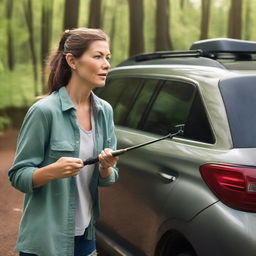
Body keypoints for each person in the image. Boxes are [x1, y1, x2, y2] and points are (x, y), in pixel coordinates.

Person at [8, 28, 119, 256]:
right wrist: (53, 171)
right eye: (98, 56)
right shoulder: (43, 111)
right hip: (45, 240)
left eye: (108, 57)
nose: (106, 64)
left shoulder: (104, 111)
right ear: (72, 61)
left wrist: (106, 168)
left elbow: (108, 180)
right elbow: (18, 176)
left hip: (85, 237)